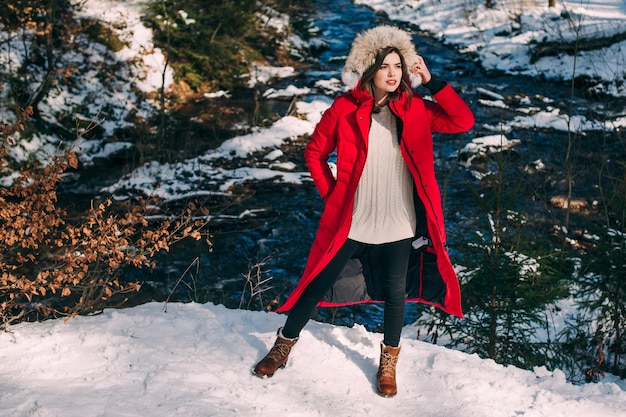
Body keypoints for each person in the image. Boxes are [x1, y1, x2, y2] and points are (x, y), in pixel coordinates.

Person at [252, 25, 474, 397]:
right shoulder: (344, 109)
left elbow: (462, 121)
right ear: (368, 71)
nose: (393, 73)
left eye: (398, 67)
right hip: (353, 222)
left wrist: (433, 82)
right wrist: (333, 195)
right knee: (316, 284)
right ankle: (283, 344)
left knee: (395, 294)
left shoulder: (417, 110)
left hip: (400, 223)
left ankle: (388, 363)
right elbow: (315, 154)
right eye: (385, 66)